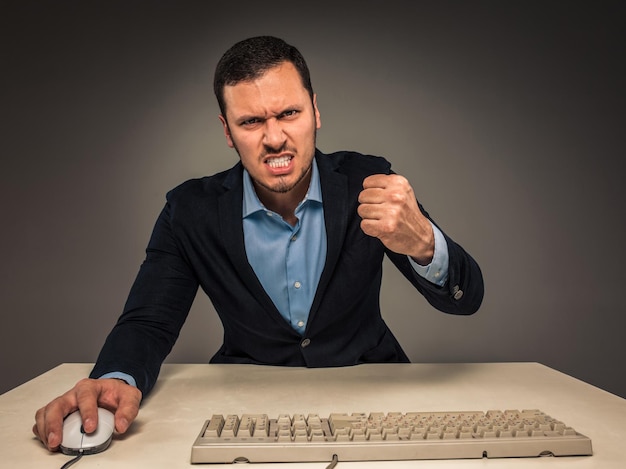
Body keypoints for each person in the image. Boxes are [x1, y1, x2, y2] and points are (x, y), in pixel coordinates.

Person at [33, 35, 484, 451]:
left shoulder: (370, 181)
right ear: (228, 131)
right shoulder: (190, 210)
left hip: (375, 396)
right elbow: (148, 323)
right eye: (251, 121)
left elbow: (468, 300)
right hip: (245, 408)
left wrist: (425, 241)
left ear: (315, 111)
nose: (274, 138)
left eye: (289, 113)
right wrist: (114, 379)